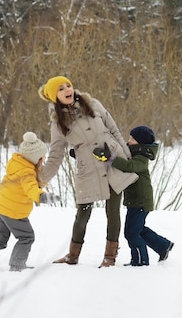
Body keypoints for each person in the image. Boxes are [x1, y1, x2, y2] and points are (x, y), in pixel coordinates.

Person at [37, 76, 137, 267]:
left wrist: (127, 157)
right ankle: (72, 256)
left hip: (113, 160)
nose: (67, 89)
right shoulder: (58, 123)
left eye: (69, 85)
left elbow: (114, 129)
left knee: (113, 211)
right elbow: (56, 156)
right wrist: (39, 179)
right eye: (61, 89)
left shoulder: (93, 104)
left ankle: (110, 256)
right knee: (83, 213)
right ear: (54, 97)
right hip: (88, 168)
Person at [0, 131, 60, 272]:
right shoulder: (27, 173)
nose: (44, 159)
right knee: (26, 237)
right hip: (13, 212)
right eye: (42, 157)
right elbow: (31, 189)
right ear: (34, 158)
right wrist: (43, 197)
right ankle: (17, 265)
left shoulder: (16, 163)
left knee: (0, 237)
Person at [93, 125, 174, 266]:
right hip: (135, 201)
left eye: (132, 139)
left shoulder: (141, 158)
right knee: (138, 229)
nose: (128, 141)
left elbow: (128, 167)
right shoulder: (133, 153)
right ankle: (163, 246)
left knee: (131, 233)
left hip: (141, 201)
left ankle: (141, 261)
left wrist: (110, 158)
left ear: (140, 143)